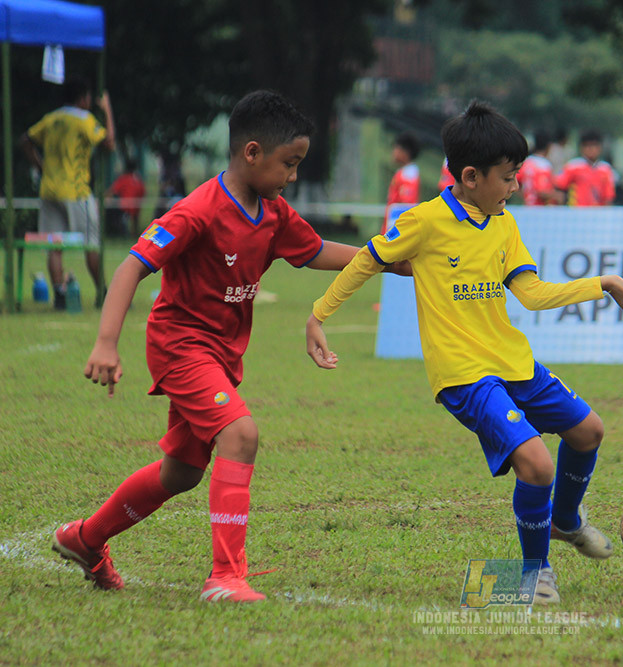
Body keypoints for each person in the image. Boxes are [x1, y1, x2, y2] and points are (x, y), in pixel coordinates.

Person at [305, 101, 623, 604]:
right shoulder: (423, 222)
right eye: (508, 178)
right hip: (465, 376)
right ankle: (535, 574)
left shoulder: (504, 223)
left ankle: (566, 520)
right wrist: (318, 315)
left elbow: (533, 294)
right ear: (470, 176)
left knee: (589, 430)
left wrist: (604, 284)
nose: (515, 187)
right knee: (537, 465)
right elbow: (367, 259)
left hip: (513, 361)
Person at [53, 90, 385, 603]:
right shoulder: (198, 210)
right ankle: (226, 577)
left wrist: (385, 258)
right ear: (251, 153)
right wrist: (105, 343)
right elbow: (130, 267)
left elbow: (316, 249)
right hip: (181, 346)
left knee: (181, 473)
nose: (292, 177)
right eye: (288, 164)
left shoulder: (271, 210)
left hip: (222, 356)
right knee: (241, 434)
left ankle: (84, 538)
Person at [20, 78, 116, 310]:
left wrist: (40, 167)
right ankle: (102, 292)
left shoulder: (51, 119)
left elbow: (25, 140)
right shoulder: (83, 119)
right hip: (76, 191)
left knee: (54, 244)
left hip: (49, 189)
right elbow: (109, 143)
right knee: (92, 243)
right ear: (83, 98)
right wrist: (107, 110)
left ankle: (60, 295)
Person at [553, 130, 616, 207]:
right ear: (581, 148)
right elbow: (559, 187)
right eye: (587, 146)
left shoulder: (605, 169)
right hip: (578, 212)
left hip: (598, 213)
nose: (590, 149)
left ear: (600, 148)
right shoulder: (573, 166)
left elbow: (608, 197)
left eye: (594, 145)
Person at [382, 132, 421, 234]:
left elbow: (406, 206)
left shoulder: (409, 175)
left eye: (396, 148)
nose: (393, 152)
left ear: (405, 152)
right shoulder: (404, 172)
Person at [517, 131, 561, 206]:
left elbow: (516, 182)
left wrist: (525, 196)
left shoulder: (527, 162)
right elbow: (542, 191)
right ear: (548, 146)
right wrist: (557, 196)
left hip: (527, 206)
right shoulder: (543, 165)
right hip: (539, 210)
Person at [106, 158, 146, 237]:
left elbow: (112, 191)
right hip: (136, 207)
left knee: (110, 210)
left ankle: (113, 232)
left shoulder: (123, 179)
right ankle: (134, 233)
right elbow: (143, 193)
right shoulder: (139, 180)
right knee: (134, 215)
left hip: (124, 207)